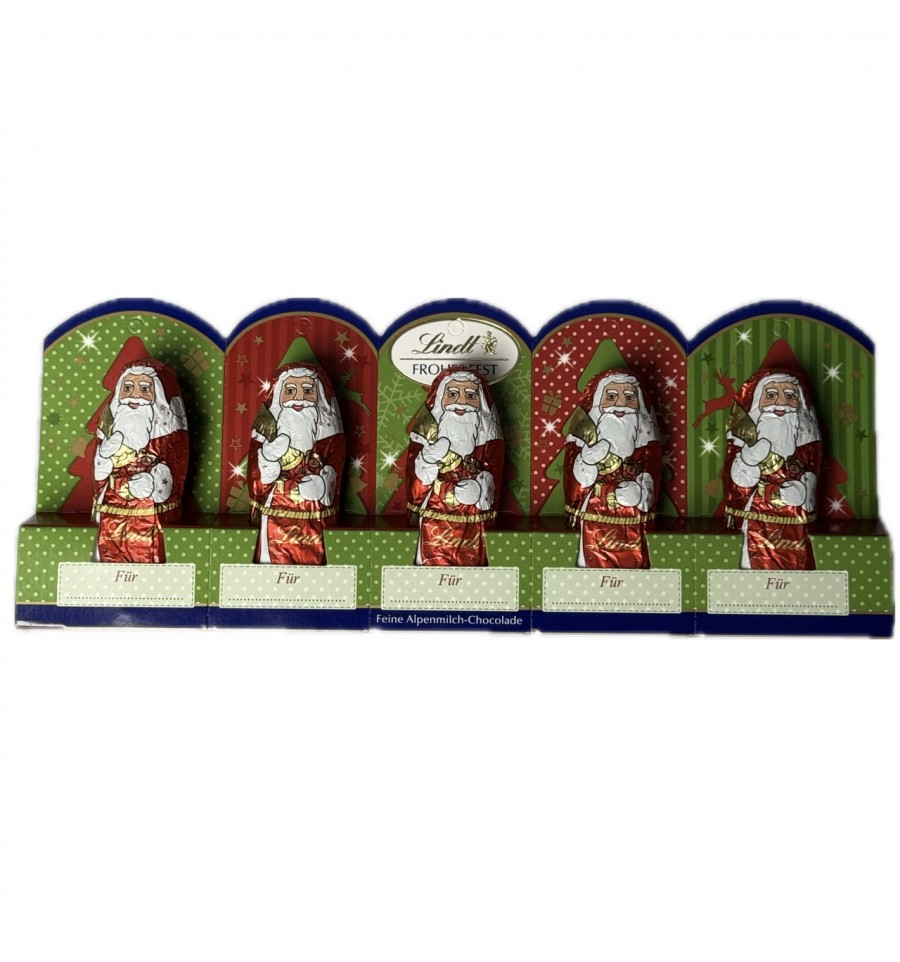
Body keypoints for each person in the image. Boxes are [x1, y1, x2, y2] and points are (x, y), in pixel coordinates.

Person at [723, 368, 821, 570]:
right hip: (753, 518)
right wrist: (748, 462)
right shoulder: (744, 439)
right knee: (748, 559)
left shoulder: (806, 440)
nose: (781, 403)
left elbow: (812, 471)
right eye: (771, 395)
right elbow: (735, 486)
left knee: (797, 563)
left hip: (795, 520)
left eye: (790, 396)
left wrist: (802, 490)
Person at [563, 369, 662, 568]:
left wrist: (640, 493)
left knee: (635, 560)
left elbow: (652, 473)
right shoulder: (583, 440)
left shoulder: (646, 442)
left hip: (633, 518)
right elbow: (573, 483)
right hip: (593, 516)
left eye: (629, 397)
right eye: (611, 397)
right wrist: (587, 462)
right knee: (587, 556)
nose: (620, 404)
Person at [93, 359, 189, 563]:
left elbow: (175, 467)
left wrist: (153, 483)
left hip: (150, 513)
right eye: (128, 388)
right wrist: (104, 460)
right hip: (112, 509)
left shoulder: (168, 434)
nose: (134, 396)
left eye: (144, 388)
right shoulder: (111, 430)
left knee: (152, 553)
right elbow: (99, 475)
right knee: (108, 552)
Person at [248, 363, 345, 564]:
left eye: (308, 391)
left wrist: (322, 485)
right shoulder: (267, 433)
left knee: (316, 556)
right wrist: (268, 459)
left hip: (314, 513)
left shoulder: (329, 436)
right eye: (290, 391)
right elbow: (255, 476)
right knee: (271, 555)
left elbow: (335, 466)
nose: (299, 398)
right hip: (276, 509)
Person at [406, 368, 504, 566]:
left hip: (473, 518)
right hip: (434, 515)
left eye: (471, 396)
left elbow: (495, 471)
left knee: (473, 562)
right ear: (441, 399)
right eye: (452, 394)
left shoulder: (488, 439)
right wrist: (427, 461)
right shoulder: (426, 435)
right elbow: (413, 483)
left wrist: (480, 489)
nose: (461, 402)